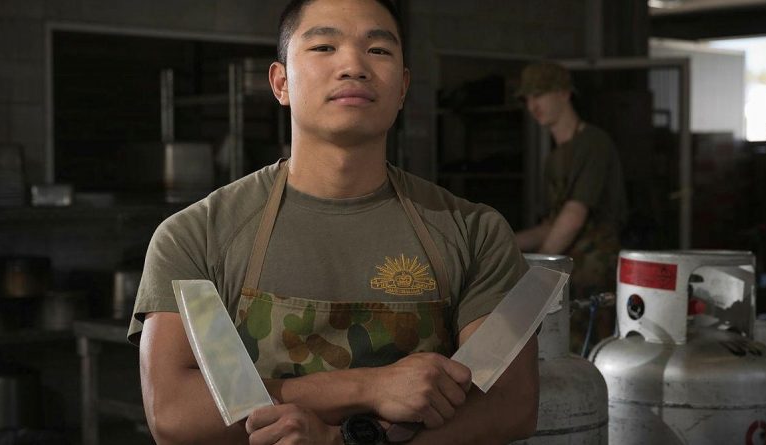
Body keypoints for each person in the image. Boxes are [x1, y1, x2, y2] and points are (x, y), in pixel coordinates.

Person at [128, 0, 538, 443]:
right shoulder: (196, 235)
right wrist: (365, 388)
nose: (353, 65)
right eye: (324, 46)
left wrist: (338, 440)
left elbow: (508, 404)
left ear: (402, 88)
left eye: (378, 50)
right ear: (281, 82)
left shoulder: (473, 232)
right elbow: (173, 413)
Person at [513, 62, 627, 351]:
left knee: (589, 354)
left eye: (539, 94)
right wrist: (504, 243)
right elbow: (554, 224)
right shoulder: (555, 158)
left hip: (592, 274)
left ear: (564, 94)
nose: (532, 105)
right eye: (527, 98)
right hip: (567, 274)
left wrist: (539, 269)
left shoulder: (593, 144)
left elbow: (574, 215)